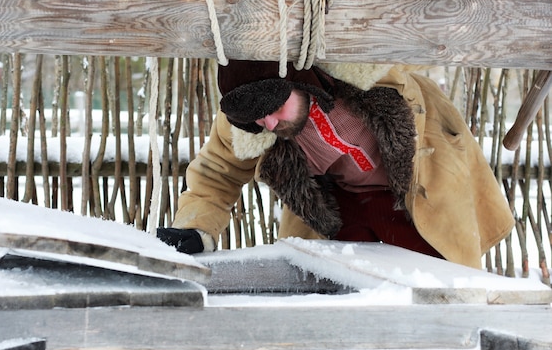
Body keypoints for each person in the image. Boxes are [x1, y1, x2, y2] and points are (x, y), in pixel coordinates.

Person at [157, 60, 514, 269]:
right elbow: (215, 176)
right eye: (257, 118)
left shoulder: (371, 72)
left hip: (419, 195)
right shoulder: (251, 123)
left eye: (274, 108)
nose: (267, 123)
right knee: (342, 291)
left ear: (301, 81)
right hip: (342, 210)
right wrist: (196, 229)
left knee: (439, 291)